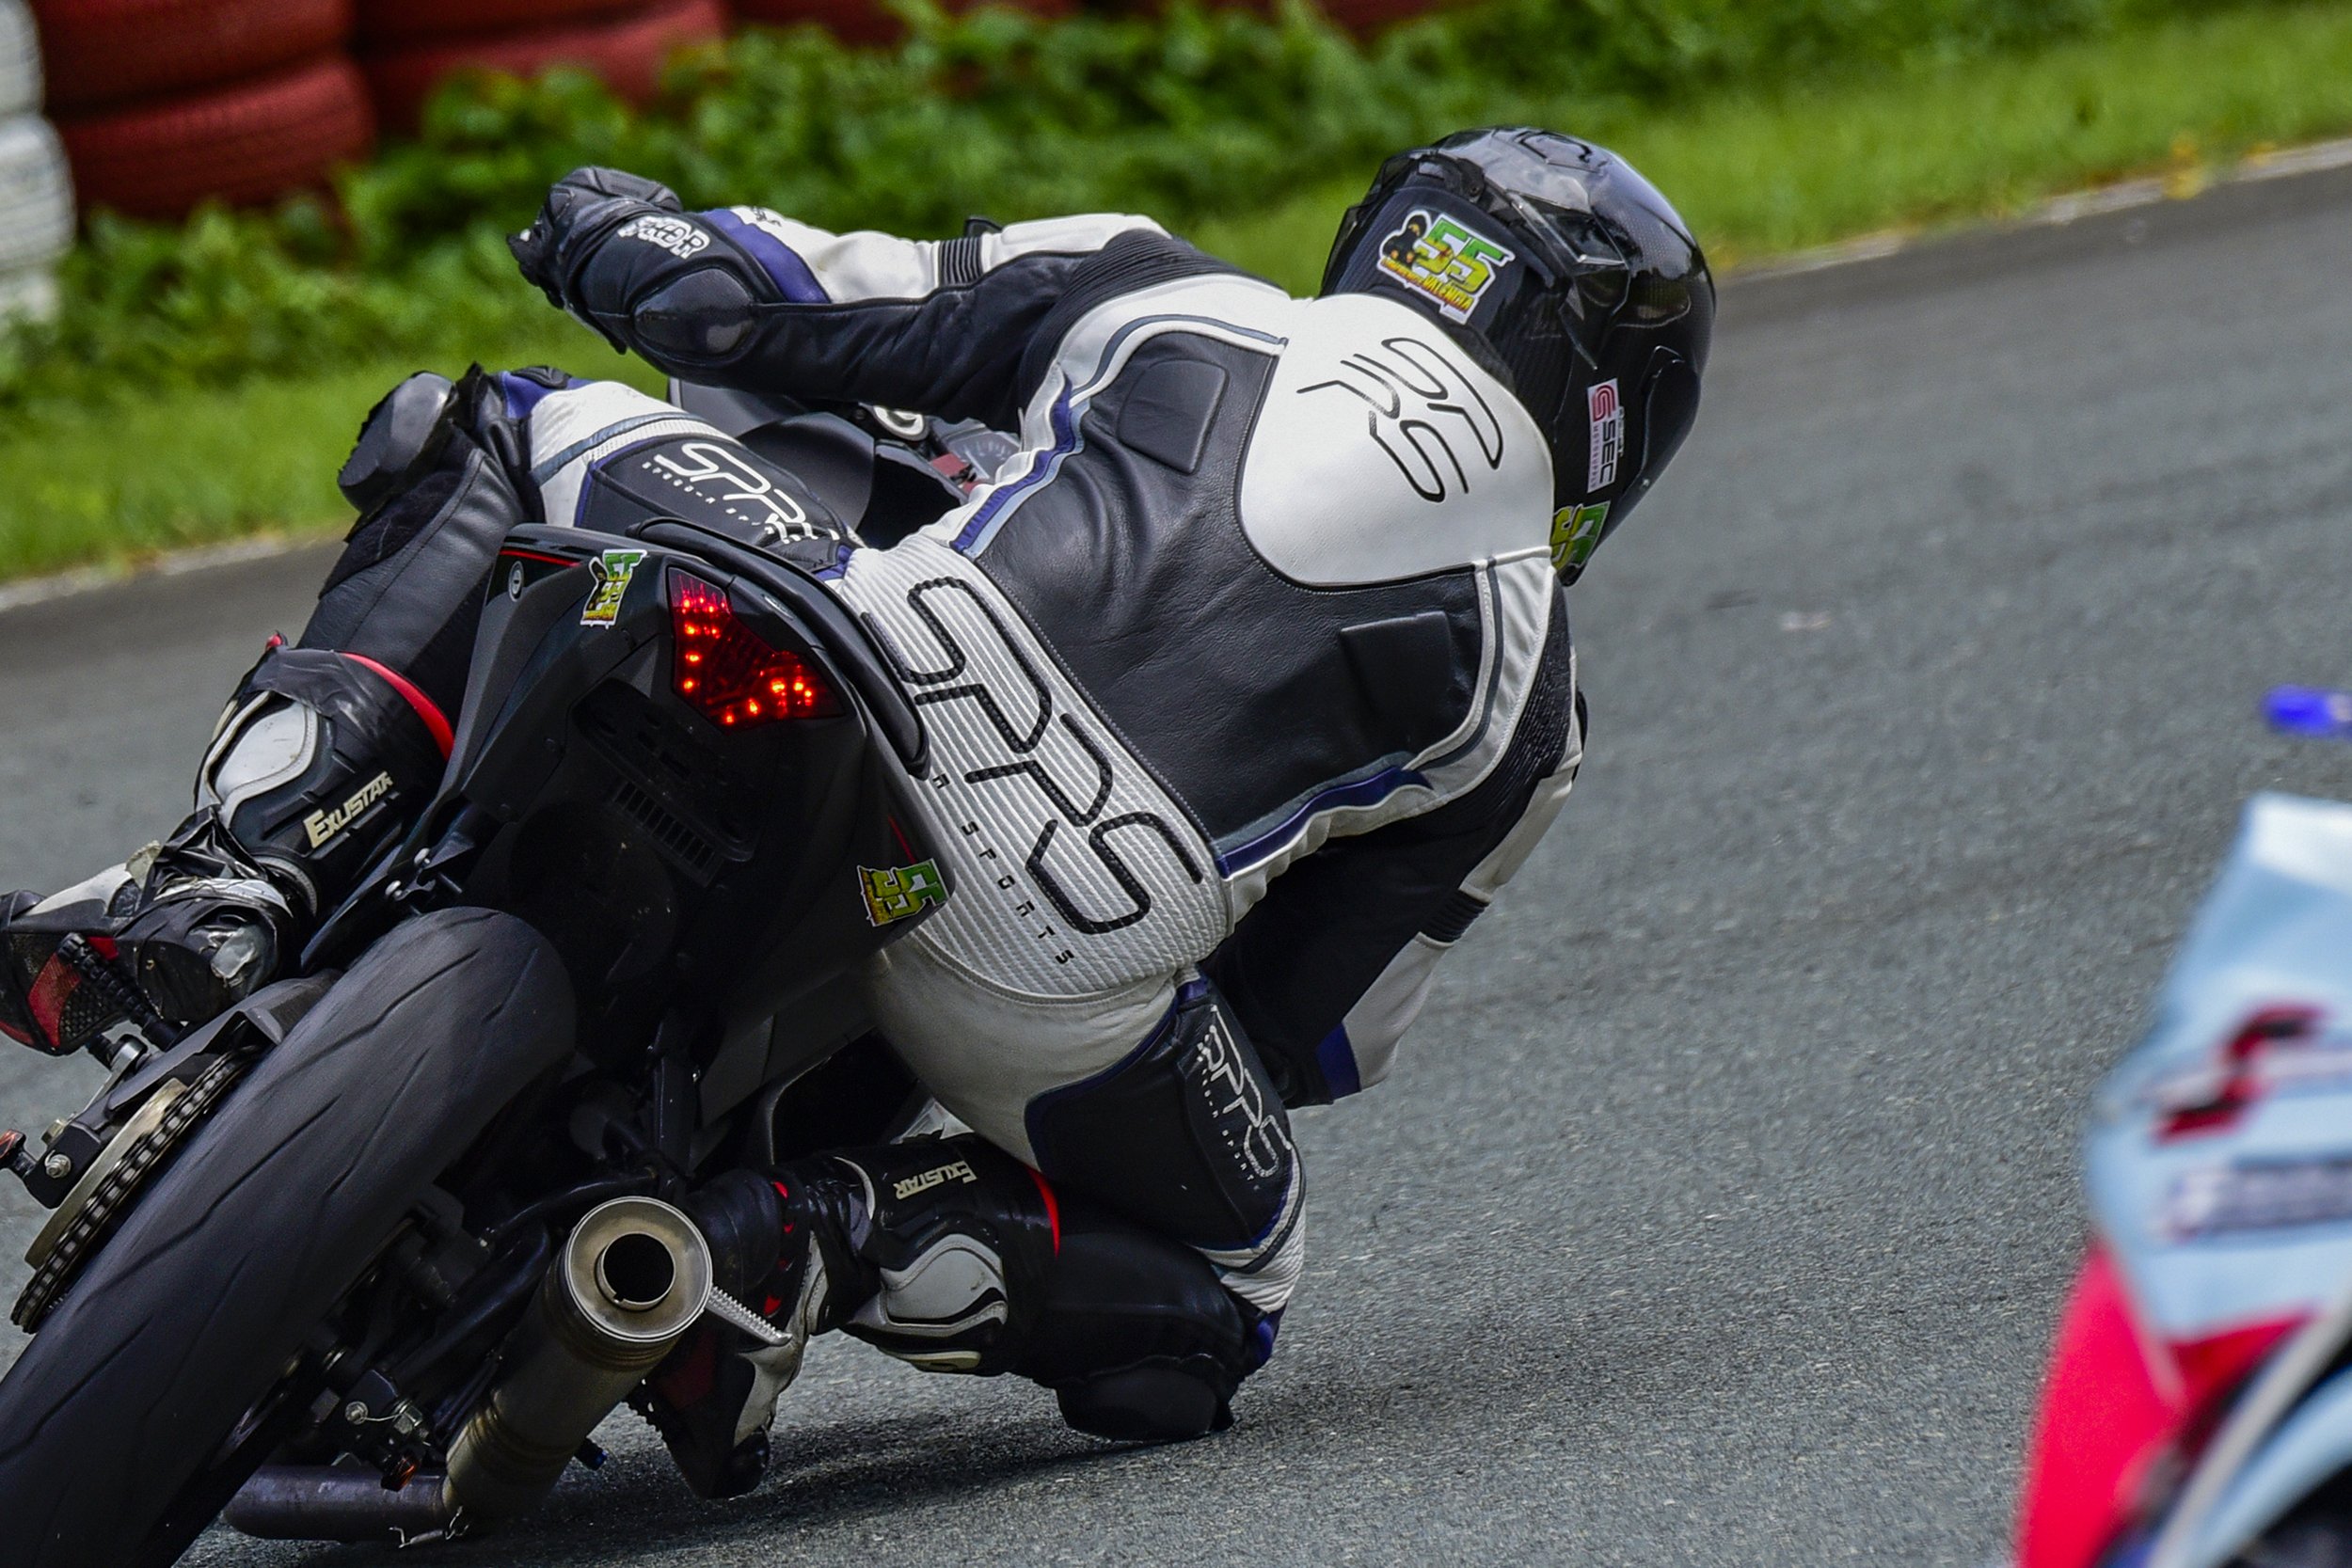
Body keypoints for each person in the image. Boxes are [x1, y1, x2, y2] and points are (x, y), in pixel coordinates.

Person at [0, 128, 1713, 1497]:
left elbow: (755, 309)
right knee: (1233, 1294)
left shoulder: (1178, 299)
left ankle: (234, 876)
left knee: (494, 427)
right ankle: (801, 1233)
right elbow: (1300, 1036)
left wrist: (606, 225)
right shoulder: (1530, 704)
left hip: (860, 640)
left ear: (1389, 240)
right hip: (1050, 965)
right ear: (1612, 434)